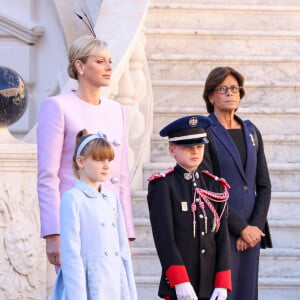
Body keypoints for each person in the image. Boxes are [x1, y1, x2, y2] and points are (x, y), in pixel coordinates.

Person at [37, 35, 135, 267]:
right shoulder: (57, 107)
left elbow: (121, 178)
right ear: (80, 66)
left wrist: (127, 232)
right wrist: (53, 234)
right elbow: (48, 176)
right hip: (75, 221)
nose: (109, 67)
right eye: (100, 61)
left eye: (110, 60)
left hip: (111, 224)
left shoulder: (116, 110)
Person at [202, 66, 272, 300]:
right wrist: (241, 227)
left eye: (234, 88)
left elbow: (263, 185)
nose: (230, 93)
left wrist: (255, 226)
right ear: (211, 96)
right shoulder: (204, 132)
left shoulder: (251, 131)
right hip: (221, 228)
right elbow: (207, 187)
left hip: (252, 230)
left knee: (246, 292)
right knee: (222, 292)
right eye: (223, 89)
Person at [147, 115, 232, 300]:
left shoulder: (215, 186)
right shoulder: (163, 185)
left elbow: (222, 237)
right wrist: (179, 280)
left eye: (199, 146)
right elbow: (164, 239)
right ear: (172, 150)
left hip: (211, 284)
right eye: (188, 147)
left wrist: (222, 282)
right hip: (180, 284)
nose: (195, 152)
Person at [51, 129, 137, 300]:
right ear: (81, 161)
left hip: (115, 282)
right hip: (89, 283)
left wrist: (129, 292)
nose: (106, 166)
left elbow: (123, 251)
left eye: (108, 160)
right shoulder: (73, 198)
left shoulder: (111, 199)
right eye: (98, 160)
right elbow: (71, 254)